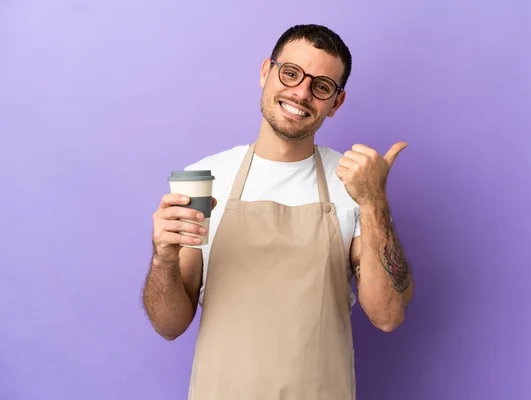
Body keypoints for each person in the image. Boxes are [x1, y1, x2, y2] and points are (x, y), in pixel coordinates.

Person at [142, 24, 414, 400]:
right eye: (290, 73)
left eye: (320, 86)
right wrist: (163, 259)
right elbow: (169, 325)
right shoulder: (205, 180)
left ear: (336, 103)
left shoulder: (351, 185)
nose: (301, 92)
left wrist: (374, 202)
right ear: (266, 72)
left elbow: (387, 315)